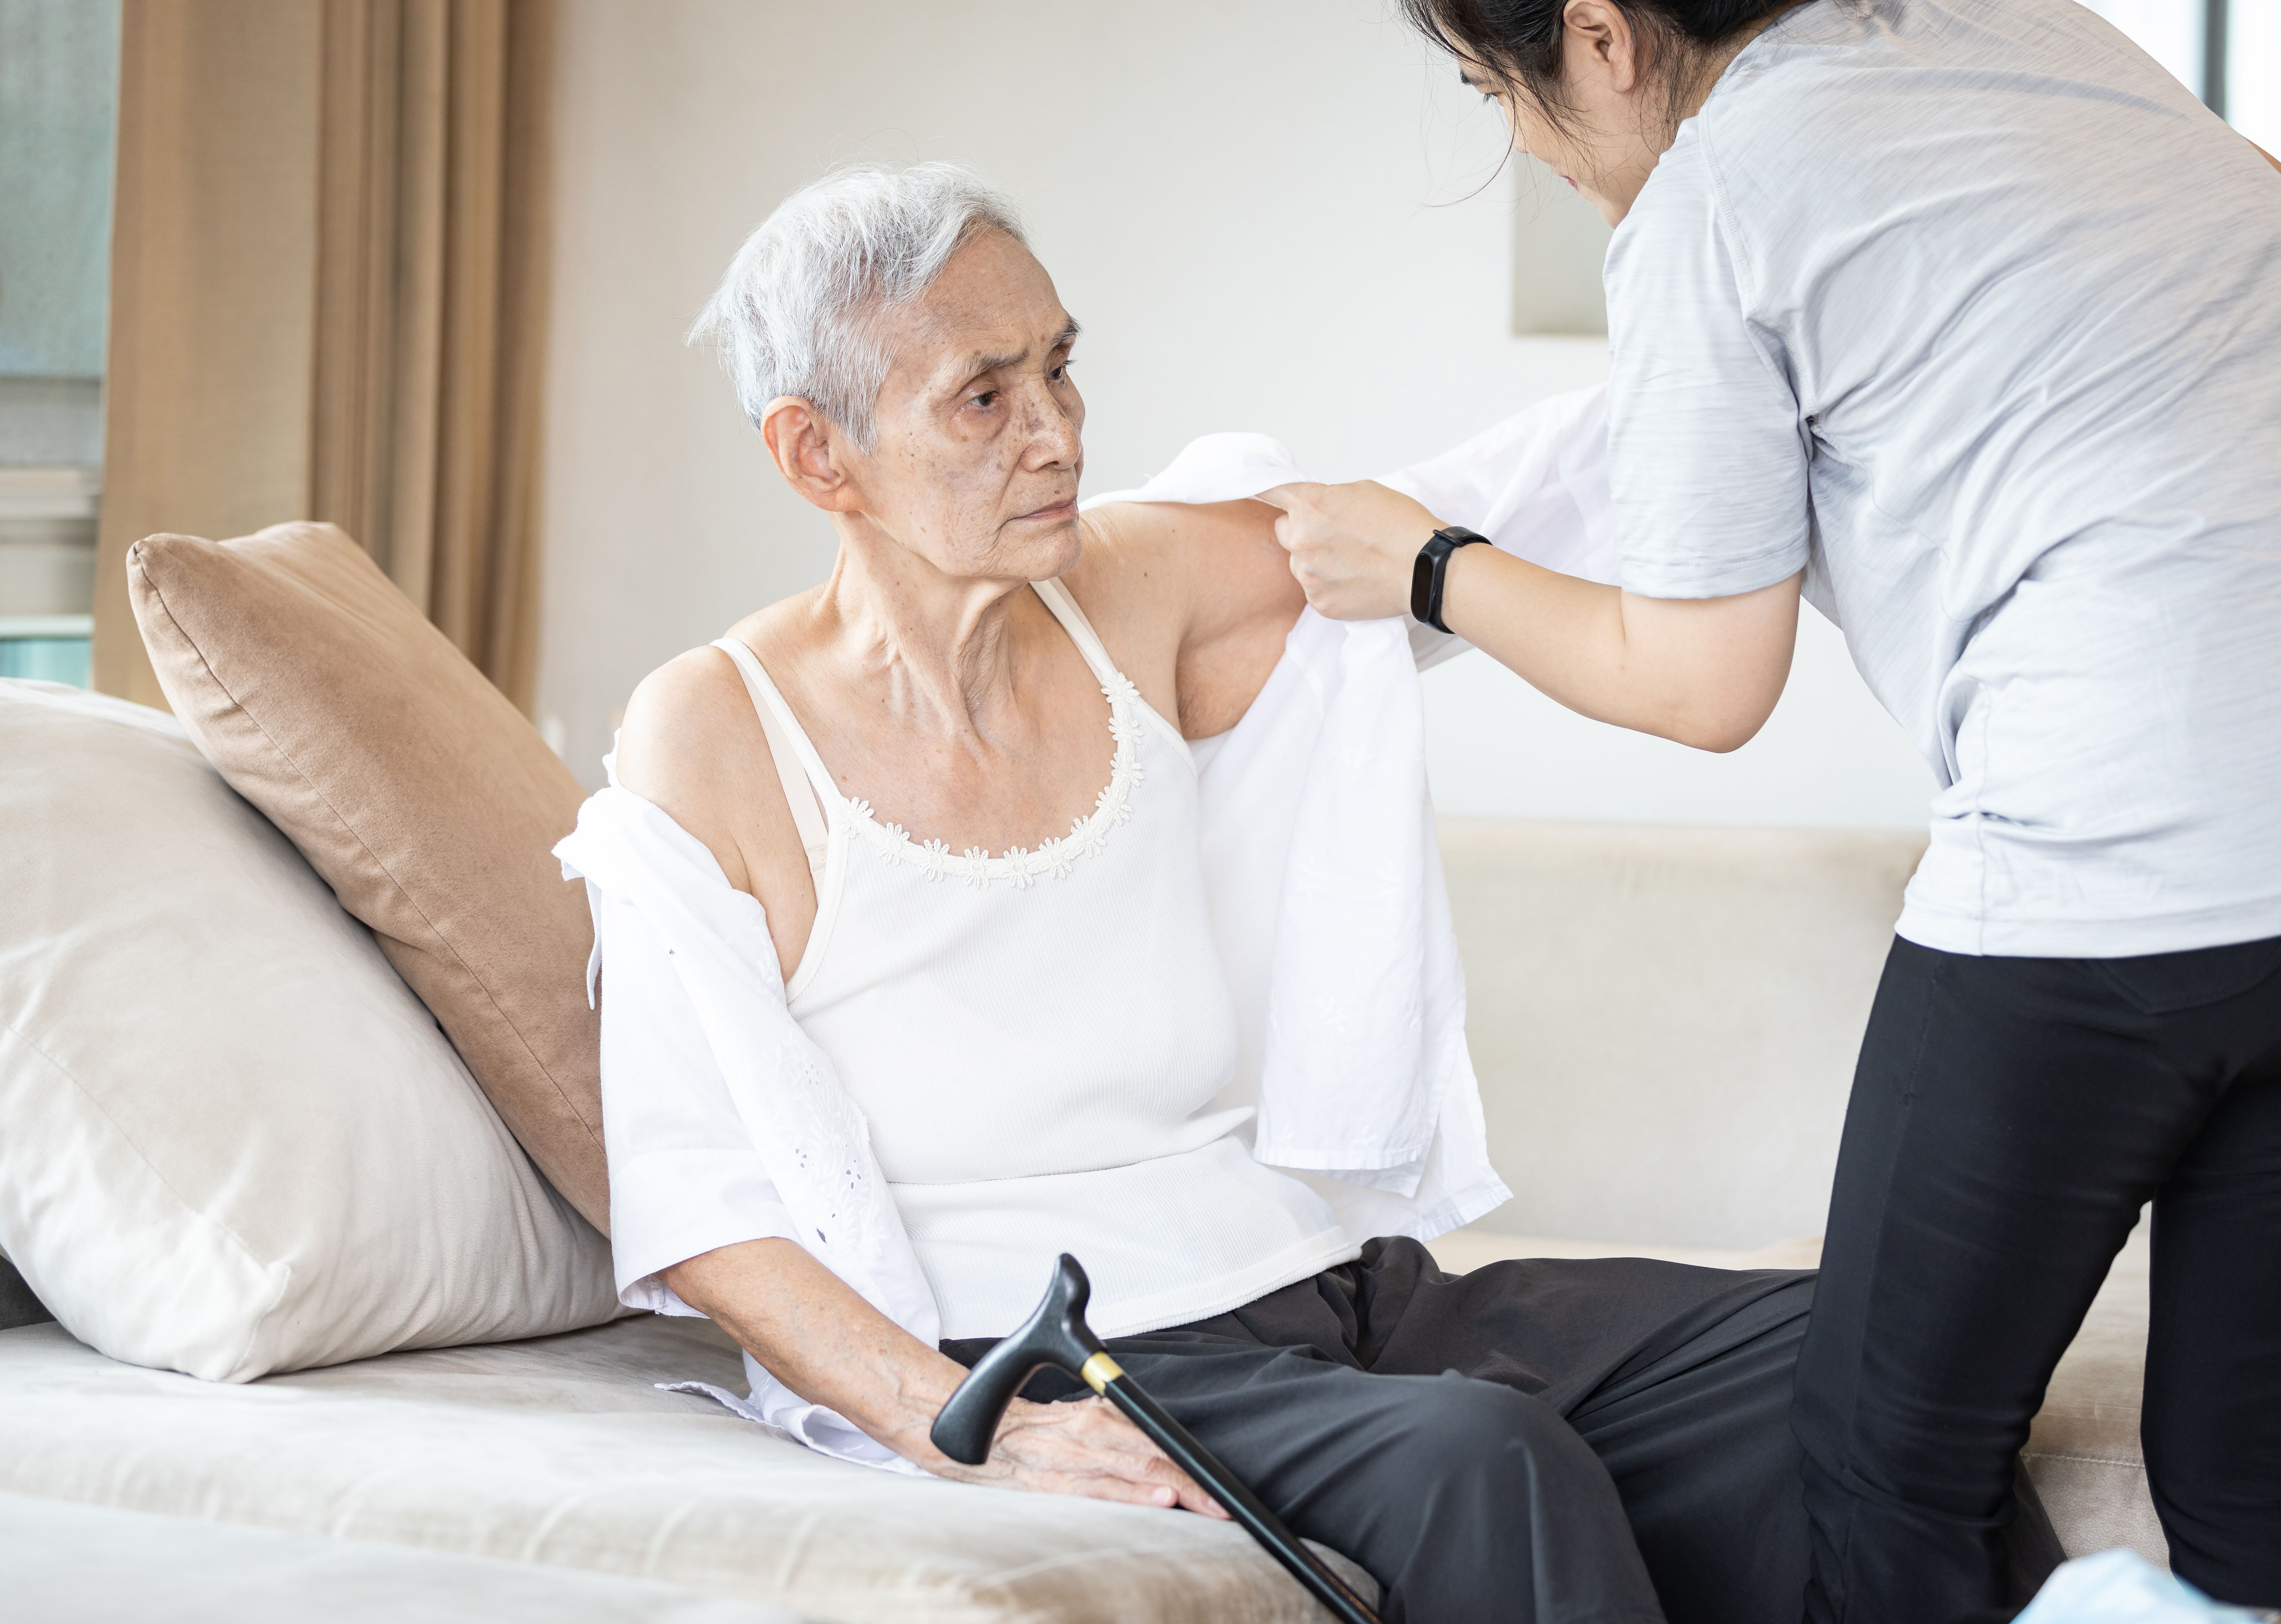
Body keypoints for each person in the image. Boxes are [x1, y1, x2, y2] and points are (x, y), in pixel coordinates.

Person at [1265, 2, 2281, 1621]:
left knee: (1886, 1470)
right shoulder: (2023, 31)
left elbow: (1701, 683)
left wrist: (1429, 567)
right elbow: (2265, 209)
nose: (1521, 143)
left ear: (1597, 34)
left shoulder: (1719, 196)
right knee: (2268, 1463)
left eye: (1493, 89)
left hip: (2123, 873)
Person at [565, 161, 1824, 1624]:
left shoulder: (1130, 587)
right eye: (984, 397)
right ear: (816, 455)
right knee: (1482, 1459)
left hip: (1327, 1291)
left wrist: (1783, 334)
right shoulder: (716, 726)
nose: (1056, 434)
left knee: (1827, 1349)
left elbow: (1464, 511)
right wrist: (963, 1425)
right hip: (1065, 1348)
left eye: (1060, 367)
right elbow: (697, 1196)